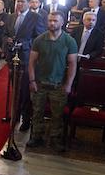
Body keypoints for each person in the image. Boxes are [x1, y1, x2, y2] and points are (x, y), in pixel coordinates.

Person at [26, 10, 78, 152]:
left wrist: (68, 84)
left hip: (58, 84)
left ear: (62, 22)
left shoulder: (69, 41)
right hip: (40, 83)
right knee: (37, 112)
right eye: (50, 20)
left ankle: (55, 138)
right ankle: (37, 136)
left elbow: (73, 64)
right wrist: (32, 80)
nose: (52, 23)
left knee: (57, 114)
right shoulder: (39, 40)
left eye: (55, 21)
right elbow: (31, 62)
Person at [9, 0, 45, 131]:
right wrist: (7, 41)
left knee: (24, 91)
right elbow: (7, 33)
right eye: (18, 1)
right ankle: (15, 115)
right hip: (13, 58)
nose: (19, 4)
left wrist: (24, 44)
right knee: (15, 89)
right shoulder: (12, 16)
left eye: (22, 1)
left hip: (27, 59)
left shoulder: (36, 18)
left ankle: (26, 118)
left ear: (29, 3)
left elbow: (40, 39)